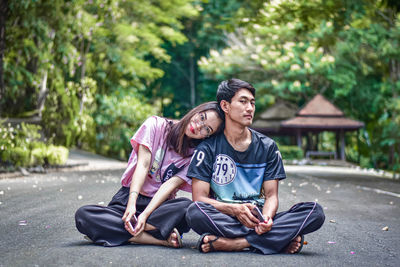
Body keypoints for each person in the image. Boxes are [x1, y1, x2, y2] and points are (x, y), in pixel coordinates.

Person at [185, 79, 325, 254]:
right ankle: (276, 240)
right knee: (194, 211)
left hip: (256, 220)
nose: (250, 108)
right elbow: (199, 199)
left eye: (252, 103)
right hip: (224, 218)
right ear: (225, 106)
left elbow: (272, 196)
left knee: (315, 212)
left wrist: (266, 220)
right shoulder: (207, 149)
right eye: (243, 102)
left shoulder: (268, 147)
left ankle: (237, 243)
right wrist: (235, 210)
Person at [75, 101, 223, 247]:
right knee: (84, 215)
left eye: (207, 130)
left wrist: (144, 215)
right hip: (129, 197)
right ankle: (156, 238)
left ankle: (126, 229)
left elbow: (169, 185)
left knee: (187, 207)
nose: (198, 126)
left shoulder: (195, 156)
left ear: (207, 137)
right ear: (196, 111)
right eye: (202, 117)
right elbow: (143, 165)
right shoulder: (155, 125)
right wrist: (131, 204)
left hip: (159, 207)